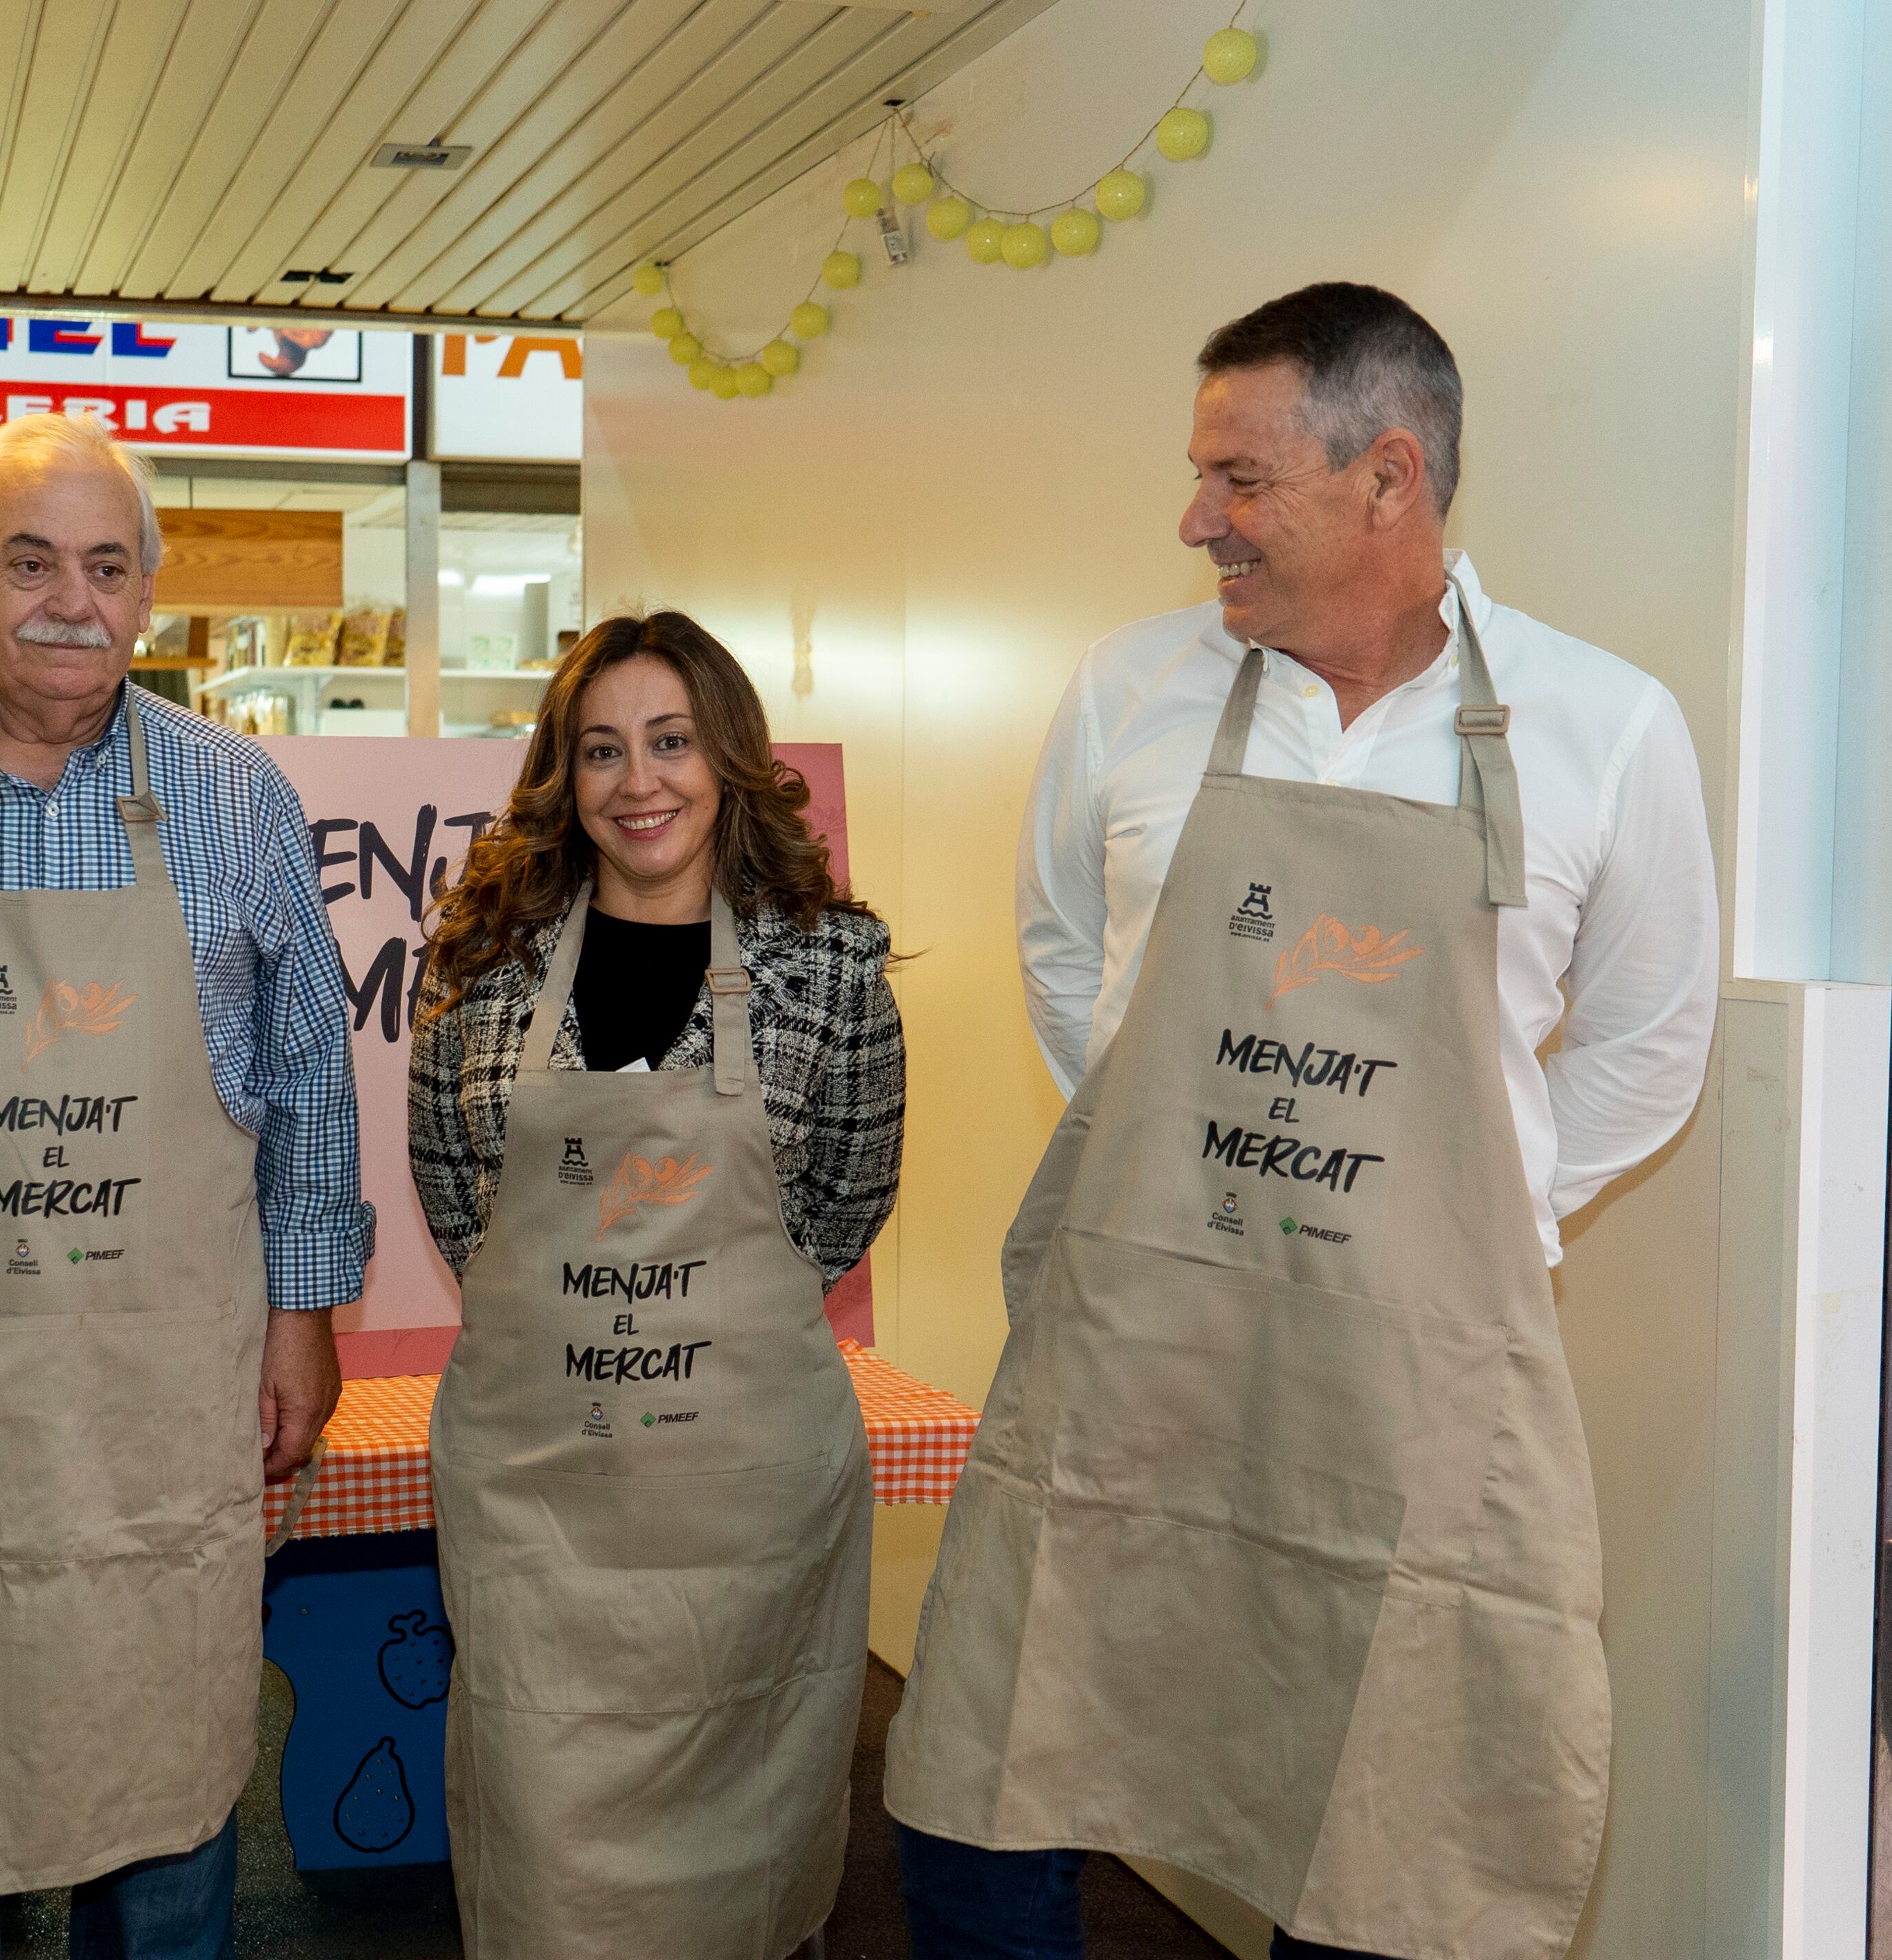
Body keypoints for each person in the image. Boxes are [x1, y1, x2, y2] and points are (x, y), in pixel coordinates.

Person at [886, 284, 1719, 1960]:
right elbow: (1061, 942)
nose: (1194, 518)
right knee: (984, 1775)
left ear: (1386, 478)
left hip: (1409, 1377)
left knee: (1399, 1815)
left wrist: (1475, 1216)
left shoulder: (1597, 724)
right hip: (1141, 1336)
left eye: (1235, 477)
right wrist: (1162, 1152)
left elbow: (1648, 1034)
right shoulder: (1132, 689)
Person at [0, 411, 367, 1960]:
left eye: (105, 566)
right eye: (27, 561)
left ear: (149, 592)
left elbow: (309, 1074)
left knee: (162, 1823)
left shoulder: (238, 800)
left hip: (165, 1402)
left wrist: (305, 1315)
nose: (66, 601)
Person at [408, 610, 905, 1958]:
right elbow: (461, 1204)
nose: (640, 783)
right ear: (562, 781)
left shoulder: (830, 964)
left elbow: (840, 1207)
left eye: (671, 742)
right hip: (537, 1518)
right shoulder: (485, 968)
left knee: (742, 1854)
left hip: (743, 1518)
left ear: (725, 759)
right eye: (602, 750)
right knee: (546, 1840)